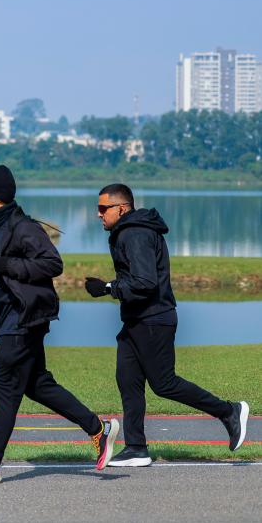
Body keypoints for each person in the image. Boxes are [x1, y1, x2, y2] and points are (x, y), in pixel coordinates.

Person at [0, 165, 119, 484]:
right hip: (10, 316)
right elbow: (4, 265)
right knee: (37, 384)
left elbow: (53, 264)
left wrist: (7, 266)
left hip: (25, 318)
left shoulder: (22, 227)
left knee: (4, 385)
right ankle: (99, 429)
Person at [86, 183, 249, 467]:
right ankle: (136, 448)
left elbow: (145, 282)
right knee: (128, 380)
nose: (99, 215)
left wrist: (108, 287)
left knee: (164, 383)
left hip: (153, 319)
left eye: (103, 209)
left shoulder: (134, 233)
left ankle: (229, 411)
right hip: (137, 320)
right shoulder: (130, 231)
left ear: (121, 208)